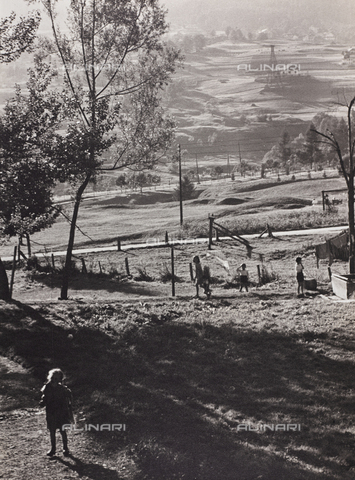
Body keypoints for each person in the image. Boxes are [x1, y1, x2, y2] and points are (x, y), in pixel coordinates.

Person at [40, 368, 73, 457]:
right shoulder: (47, 387)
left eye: (56, 379)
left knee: (62, 430)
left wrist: (68, 408)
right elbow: (44, 396)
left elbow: (68, 399)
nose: (54, 380)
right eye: (52, 378)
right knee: (52, 431)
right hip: (51, 412)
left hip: (61, 412)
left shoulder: (62, 389)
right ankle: (53, 448)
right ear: (50, 378)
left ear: (60, 380)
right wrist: (43, 401)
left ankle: (65, 448)